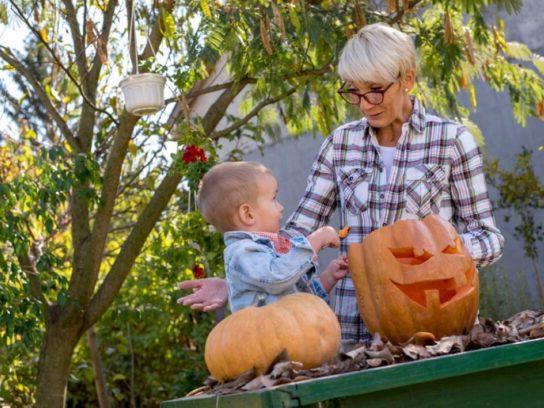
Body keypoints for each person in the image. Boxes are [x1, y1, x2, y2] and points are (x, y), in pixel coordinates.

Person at [179, 23, 504, 343]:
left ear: (407, 79)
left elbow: (489, 239)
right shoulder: (340, 145)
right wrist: (241, 281)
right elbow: (297, 234)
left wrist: (439, 257)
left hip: (439, 321)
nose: (365, 104)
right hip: (356, 327)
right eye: (354, 91)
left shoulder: (451, 141)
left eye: (375, 89)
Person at [194, 161, 349, 312]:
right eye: (273, 199)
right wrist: (316, 240)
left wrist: (328, 278)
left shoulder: (271, 249)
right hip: (278, 336)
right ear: (248, 214)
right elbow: (279, 277)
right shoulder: (242, 253)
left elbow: (296, 294)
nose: (281, 207)